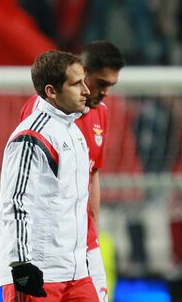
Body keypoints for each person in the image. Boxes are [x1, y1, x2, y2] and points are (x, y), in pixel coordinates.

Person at [19, 41, 125, 302]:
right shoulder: (41, 113)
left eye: (111, 86)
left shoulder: (101, 112)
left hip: (85, 244)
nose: (104, 92)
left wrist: (94, 231)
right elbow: (24, 189)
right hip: (49, 251)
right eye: (101, 83)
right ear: (83, 72)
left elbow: (93, 173)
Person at [0, 50, 98, 302]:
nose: (86, 90)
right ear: (51, 91)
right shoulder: (32, 136)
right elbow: (16, 202)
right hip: (38, 273)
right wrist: (21, 264)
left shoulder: (74, 132)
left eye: (84, 81)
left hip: (76, 272)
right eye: (76, 84)